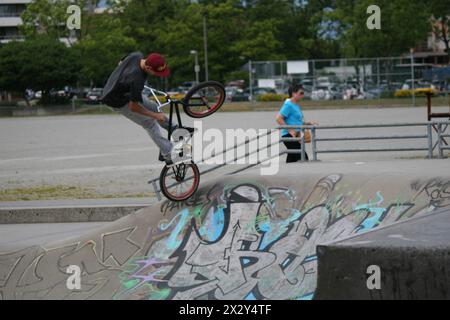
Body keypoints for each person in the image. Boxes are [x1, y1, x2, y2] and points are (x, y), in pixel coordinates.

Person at [100, 52, 194, 165]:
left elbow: (120, 62)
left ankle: (174, 129)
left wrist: (123, 80)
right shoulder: (136, 79)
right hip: (117, 101)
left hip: (125, 92)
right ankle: (168, 153)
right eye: (156, 72)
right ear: (148, 67)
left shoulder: (136, 56)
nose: (157, 75)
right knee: (150, 123)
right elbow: (133, 107)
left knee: (154, 106)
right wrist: (155, 116)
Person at [276, 84, 318, 163]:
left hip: (297, 135)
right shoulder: (288, 105)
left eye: (303, 93)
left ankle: (288, 173)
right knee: (303, 157)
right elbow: (278, 118)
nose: (303, 95)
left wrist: (308, 123)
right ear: (293, 93)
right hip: (289, 136)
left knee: (292, 158)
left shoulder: (296, 105)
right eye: (301, 93)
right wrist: (290, 130)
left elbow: (296, 120)